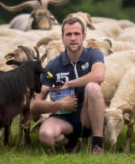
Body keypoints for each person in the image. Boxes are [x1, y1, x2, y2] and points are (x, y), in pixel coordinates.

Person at [30, 15, 106, 154]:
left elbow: (99, 75)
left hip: (87, 115)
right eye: (69, 34)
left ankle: (97, 144)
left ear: (83, 36)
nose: (73, 38)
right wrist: (59, 105)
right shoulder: (53, 65)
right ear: (63, 37)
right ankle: (70, 142)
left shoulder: (93, 54)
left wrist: (70, 83)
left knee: (93, 87)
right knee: (45, 136)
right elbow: (34, 104)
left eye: (77, 34)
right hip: (63, 117)